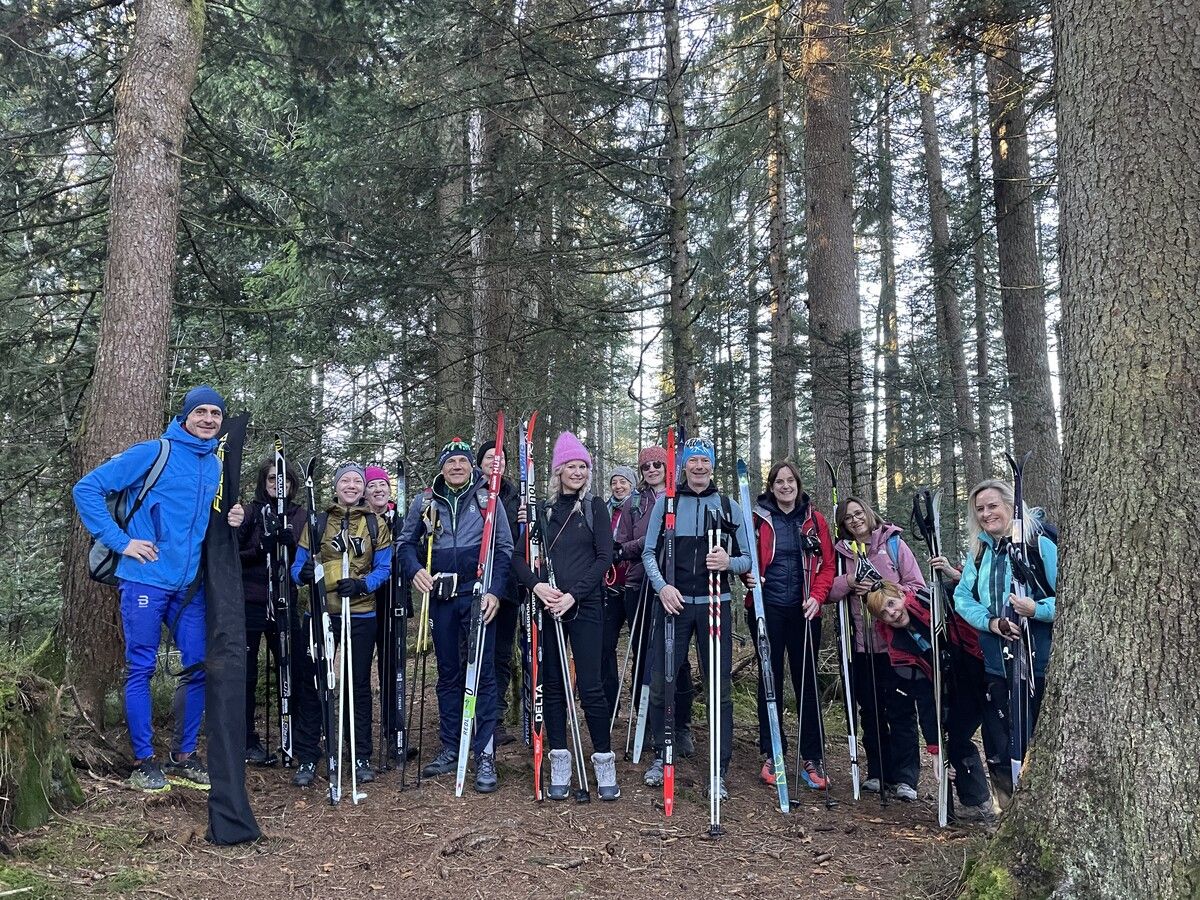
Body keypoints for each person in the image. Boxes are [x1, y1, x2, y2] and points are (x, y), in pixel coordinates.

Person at [73, 386, 245, 792]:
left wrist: (232, 516)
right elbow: (86, 488)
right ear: (184, 416)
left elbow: (205, 519)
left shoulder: (213, 465)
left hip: (188, 586)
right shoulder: (154, 452)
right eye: (200, 412)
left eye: (215, 414)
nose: (207, 419)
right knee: (141, 668)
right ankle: (143, 760)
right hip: (145, 580)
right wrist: (122, 542)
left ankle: (184, 756)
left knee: (200, 664)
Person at [396, 438, 513, 793]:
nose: (457, 466)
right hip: (443, 596)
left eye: (463, 461)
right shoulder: (426, 501)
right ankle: (450, 746)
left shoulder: (487, 498)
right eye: (451, 462)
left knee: (484, 673)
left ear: (471, 466)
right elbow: (404, 544)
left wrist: (495, 591)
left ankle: (485, 753)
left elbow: (505, 548)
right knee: (448, 671)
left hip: (478, 595)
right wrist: (415, 569)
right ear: (442, 467)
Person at [641, 438, 750, 798]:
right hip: (673, 604)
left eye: (705, 460)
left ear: (712, 465)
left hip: (714, 603)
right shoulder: (667, 504)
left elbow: (748, 559)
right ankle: (663, 753)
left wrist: (728, 563)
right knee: (663, 682)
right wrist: (662, 587)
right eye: (693, 461)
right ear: (684, 466)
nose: (699, 467)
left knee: (719, 688)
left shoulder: (728, 506)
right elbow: (649, 553)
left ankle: (718, 769)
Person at [512, 432, 617, 799]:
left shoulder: (595, 507)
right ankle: (560, 757)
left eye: (583, 466)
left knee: (592, 686)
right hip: (546, 608)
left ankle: (603, 760)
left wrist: (573, 595)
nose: (578, 471)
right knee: (553, 686)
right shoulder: (540, 512)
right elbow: (516, 558)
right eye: (571, 466)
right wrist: (538, 587)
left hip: (585, 606)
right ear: (558, 471)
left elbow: (604, 557)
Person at [951, 478, 1057, 802]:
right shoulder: (981, 550)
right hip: (997, 661)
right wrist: (992, 622)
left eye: (992, 505)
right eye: (980, 509)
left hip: (1038, 664)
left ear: (1010, 505)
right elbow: (962, 597)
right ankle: (1009, 811)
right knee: (1000, 739)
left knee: (1039, 736)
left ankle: (1044, 805)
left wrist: (1036, 609)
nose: (986, 514)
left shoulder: (1039, 543)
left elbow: (1070, 596)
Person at [289, 462, 392, 788]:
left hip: (360, 614)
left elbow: (384, 568)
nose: (351, 485)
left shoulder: (375, 524)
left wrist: (363, 586)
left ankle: (360, 754)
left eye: (356, 481)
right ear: (335, 486)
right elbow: (297, 566)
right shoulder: (317, 521)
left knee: (357, 684)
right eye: (345, 480)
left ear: (363, 488)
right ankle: (308, 754)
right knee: (314, 683)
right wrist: (303, 575)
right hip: (321, 613)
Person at [866, 581, 995, 822]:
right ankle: (977, 803)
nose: (892, 614)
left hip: (986, 668)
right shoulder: (900, 648)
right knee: (954, 738)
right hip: (956, 690)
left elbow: (967, 588)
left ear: (902, 595)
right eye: (884, 613)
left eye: (892, 604)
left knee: (999, 736)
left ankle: (1010, 795)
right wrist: (936, 751)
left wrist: (952, 572)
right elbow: (925, 700)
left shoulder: (933, 599)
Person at [827, 494, 926, 799]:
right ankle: (878, 772)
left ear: (868, 514)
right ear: (843, 524)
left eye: (858, 514)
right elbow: (830, 589)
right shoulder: (842, 552)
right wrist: (850, 580)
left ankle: (906, 777)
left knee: (900, 709)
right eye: (848, 517)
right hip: (861, 646)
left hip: (896, 645)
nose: (855, 520)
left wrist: (883, 591)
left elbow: (917, 586)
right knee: (870, 710)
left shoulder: (892, 544)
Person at [744, 461, 835, 791]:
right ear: (771, 486)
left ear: (798, 484)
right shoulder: (756, 518)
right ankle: (772, 752)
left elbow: (828, 565)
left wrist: (818, 596)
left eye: (790, 480)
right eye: (778, 481)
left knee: (807, 682)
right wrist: (748, 576)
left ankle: (812, 755)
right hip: (765, 610)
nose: (785, 486)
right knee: (770, 682)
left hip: (805, 612)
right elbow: (745, 557)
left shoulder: (815, 519)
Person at [236, 453, 303, 766]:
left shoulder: (299, 514)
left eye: (284, 479)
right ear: (264, 483)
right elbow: (232, 555)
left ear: (292, 484)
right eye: (273, 479)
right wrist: (260, 546)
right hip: (250, 602)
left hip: (285, 601)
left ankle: (295, 738)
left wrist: (288, 544)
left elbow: (305, 557)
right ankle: (247, 740)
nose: (279, 485)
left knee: (293, 670)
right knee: (247, 675)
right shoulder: (250, 512)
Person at [475, 440, 522, 747]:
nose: (496, 462)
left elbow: (518, 545)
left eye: (501, 458)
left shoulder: (517, 495)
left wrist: (524, 523)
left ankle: (496, 717)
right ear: (480, 462)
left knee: (502, 654)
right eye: (490, 457)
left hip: (508, 587)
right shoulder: (472, 492)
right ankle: (476, 714)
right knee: (479, 653)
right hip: (478, 584)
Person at [600, 464, 636, 720]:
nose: (618, 486)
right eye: (615, 482)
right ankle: (609, 704)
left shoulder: (638, 508)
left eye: (623, 482)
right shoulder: (604, 509)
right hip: (609, 586)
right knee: (605, 646)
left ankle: (641, 708)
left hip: (635, 583)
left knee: (640, 647)